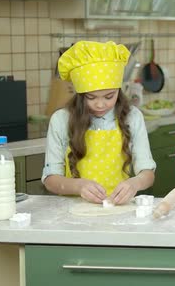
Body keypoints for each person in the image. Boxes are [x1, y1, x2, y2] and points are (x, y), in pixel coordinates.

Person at [42, 41, 156, 205]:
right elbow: (50, 179)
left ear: (119, 90)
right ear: (80, 94)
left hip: (117, 209)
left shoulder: (132, 117)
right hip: (72, 213)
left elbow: (147, 172)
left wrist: (135, 183)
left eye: (109, 96)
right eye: (91, 97)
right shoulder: (61, 120)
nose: (101, 105)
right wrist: (78, 186)